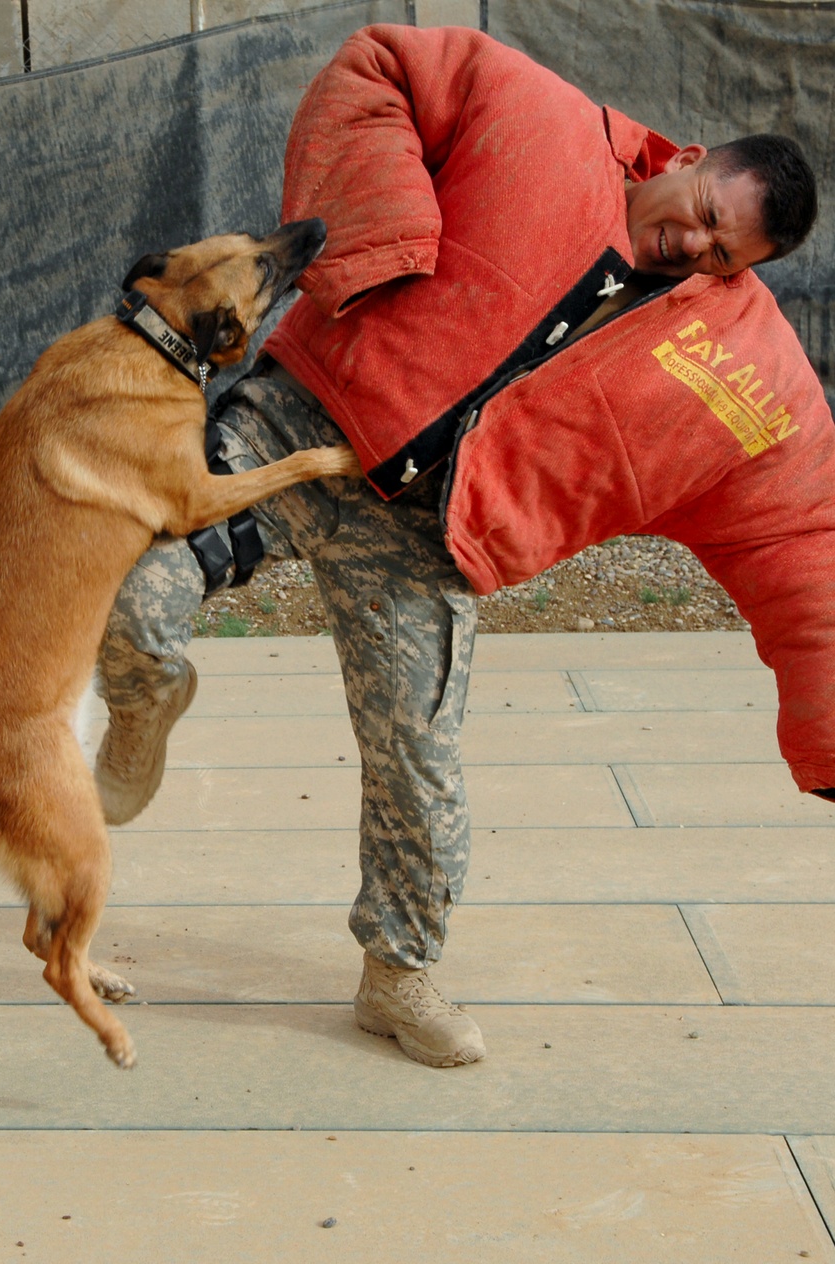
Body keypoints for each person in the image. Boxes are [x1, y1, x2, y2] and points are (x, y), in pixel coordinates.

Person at [94, 24, 827, 1068]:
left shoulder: (743, 367)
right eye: (701, 218)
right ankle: (140, 706)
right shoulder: (542, 123)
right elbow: (381, 66)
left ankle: (397, 976)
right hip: (301, 423)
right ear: (690, 157)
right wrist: (382, 235)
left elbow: (799, 534)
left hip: (424, 531)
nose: (692, 249)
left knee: (421, 767)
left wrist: (828, 741)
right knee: (126, 586)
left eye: (723, 255)